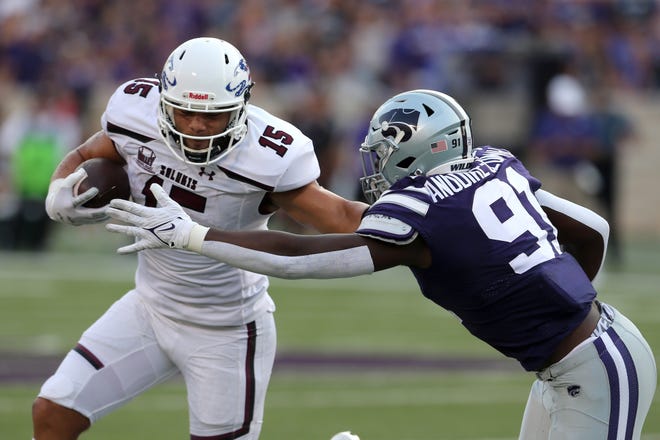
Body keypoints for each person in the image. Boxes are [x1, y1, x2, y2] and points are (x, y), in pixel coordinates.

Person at [106, 89, 657, 439]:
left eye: (387, 150)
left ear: (422, 148)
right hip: (588, 353)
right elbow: (594, 231)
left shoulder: (421, 209)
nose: (379, 165)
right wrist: (559, 298)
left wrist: (196, 235)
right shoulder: (496, 164)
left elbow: (301, 258)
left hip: (592, 367)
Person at [34, 37, 367, 440]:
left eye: (213, 116)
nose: (195, 125)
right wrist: (58, 189)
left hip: (227, 326)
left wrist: (419, 220)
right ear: (162, 99)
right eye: (185, 111)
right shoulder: (133, 114)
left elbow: (339, 216)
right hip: (149, 307)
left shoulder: (267, 156)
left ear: (242, 106)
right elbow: (87, 154)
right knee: (53, 413)